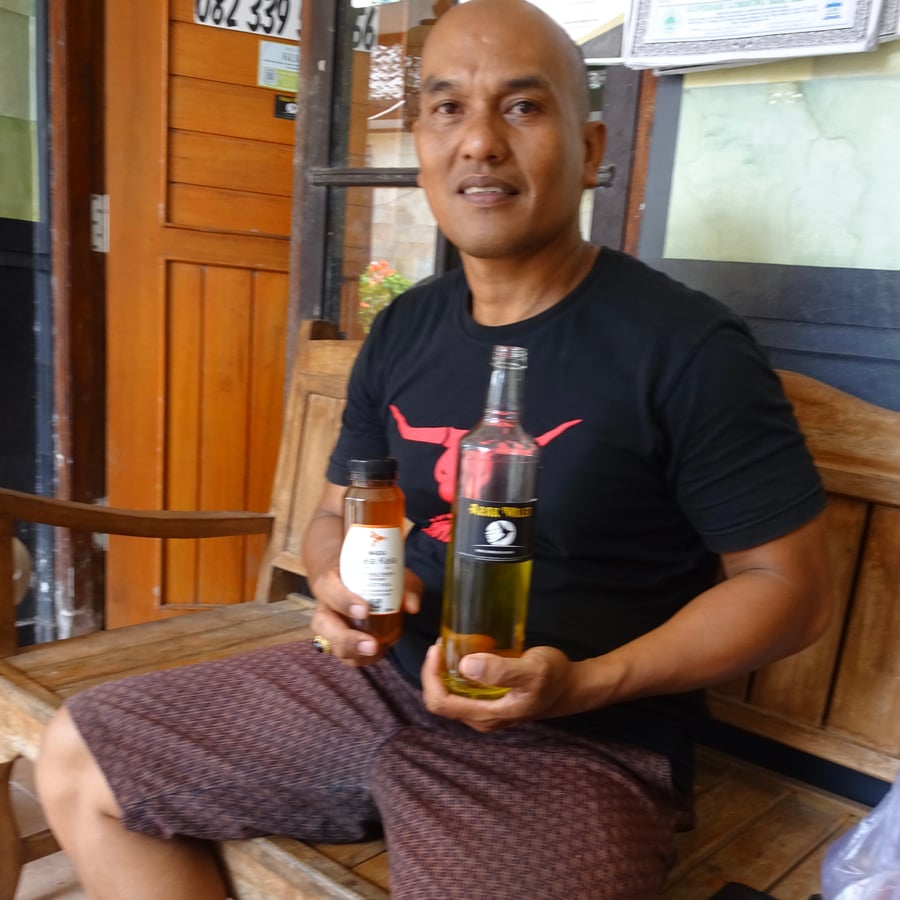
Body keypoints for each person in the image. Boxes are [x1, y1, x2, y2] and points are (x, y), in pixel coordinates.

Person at [35, 1, 832, 897]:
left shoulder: (684, 348)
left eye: (524, 107)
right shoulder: (407, 324)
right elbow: (339, 509)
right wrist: (337, 584)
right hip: (379, 680)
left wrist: (593, 683)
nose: (480, 142)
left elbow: (787, 590)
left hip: (575, 738)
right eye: (447, 107)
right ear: (419, 138)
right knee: (78, 760)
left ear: (592, 147)